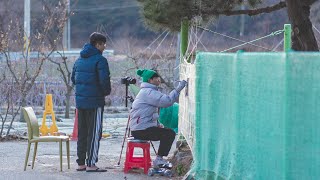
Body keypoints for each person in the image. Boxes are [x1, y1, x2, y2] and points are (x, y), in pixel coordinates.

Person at [129, 69, 187, 167]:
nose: (159, 79)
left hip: (140, 128)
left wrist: (157, 124)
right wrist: (178, 89)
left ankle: (159, 158)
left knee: (166, 132)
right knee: (169, 134)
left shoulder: (147, 91)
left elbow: (148, 114)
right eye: (156, 78)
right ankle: (159, 159)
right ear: (150, 80)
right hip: (141, 130)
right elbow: (167, 101)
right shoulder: (148, 92)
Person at [71, 32, 111, 172]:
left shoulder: (79, 59)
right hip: (95, 102)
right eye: (103, 44)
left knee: (82, 133)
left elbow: (73, 80)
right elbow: (104, 81)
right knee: (94, 134)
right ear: (98, 44)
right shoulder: (100, 60)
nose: (105, 47)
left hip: (80, 102)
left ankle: (81, 163)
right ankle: (91, 164)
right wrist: (105, 93)